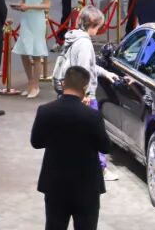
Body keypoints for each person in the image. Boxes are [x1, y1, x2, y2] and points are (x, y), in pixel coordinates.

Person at [30, 66, 110, 230]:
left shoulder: (45, 111)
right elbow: (105, 146)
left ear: (63, 83)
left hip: (55, 184)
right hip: (86, 186)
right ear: (85, 88)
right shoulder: (92, 116)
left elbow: (36, 142)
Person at [58, 6, 121, 182]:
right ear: (93, 24)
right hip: (85, 96)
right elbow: (85, 69)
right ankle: (100, 169)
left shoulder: (73, 38)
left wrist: (105, 73)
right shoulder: (85, 44)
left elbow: (88, 66)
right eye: (99, 26)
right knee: (95, 133)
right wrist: (85, 95)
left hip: (71, 93)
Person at [11, 0, 52, 99]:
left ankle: (35, 85)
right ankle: (30, 82)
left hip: (37, 20)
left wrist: (30, 6)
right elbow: (23, 0)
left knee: (36, 53)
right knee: (23, 51)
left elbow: (47, 5)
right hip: (26, 19)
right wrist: (20, 6)